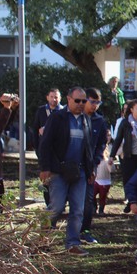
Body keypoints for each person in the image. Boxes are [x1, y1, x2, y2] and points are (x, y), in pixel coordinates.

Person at [38, 87, 95, 256]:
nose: (81, 104)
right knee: (56, 207)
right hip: (58, 170)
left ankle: (73, 244)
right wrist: (45, 168)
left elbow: (88, 147)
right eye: (77, 100)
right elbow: (45, 144)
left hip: (80, 171)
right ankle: (42, 240)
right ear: (69, 99)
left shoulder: (86, 119)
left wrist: (90, 169)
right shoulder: (57, 117)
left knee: (78, 210)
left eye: (83, 101)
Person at [109, 99, 137, 212]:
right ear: (132, 109)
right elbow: (118, 139)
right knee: (129, 179)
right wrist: (112, 155)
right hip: (129, 156)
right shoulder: (126, 123)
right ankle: (131, 201)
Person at [79, 88, 108, 244]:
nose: (95, 105)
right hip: (71, 165)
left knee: (88, 201)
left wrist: (96, 161)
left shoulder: (100, 121)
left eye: (98, 102)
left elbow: (102, 143)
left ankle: (85, 231)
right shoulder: (75, 117)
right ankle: (49, 230)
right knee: (60, 201)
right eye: (92, 101)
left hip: (90, 167)